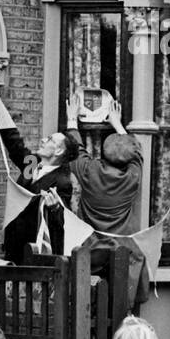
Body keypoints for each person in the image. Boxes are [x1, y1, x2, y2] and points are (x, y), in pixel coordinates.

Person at [0, 110, 78, 262]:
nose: (42, 140)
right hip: (13, 247)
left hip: (34, 253)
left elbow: (62, 221)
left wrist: (55, 209)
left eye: (50, 140)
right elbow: (14, 143)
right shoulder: (32, 163)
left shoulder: (62, 182)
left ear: (59, 151)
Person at [64, 94, 143, 235]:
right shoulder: (133, 175)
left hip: (90, 246)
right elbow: (137, 151)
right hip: (122, 247)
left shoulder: (90, 171)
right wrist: (117, 123)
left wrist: (71, 119)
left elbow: (75, 149)